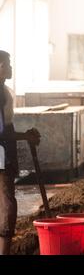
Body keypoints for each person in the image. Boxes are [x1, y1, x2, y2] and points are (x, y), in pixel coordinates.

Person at [0, 50, 40, 255]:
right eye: (8, 63)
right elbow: (1, 134)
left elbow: (6, 128)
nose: (11, 67)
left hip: (5, 154)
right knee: (7, 203)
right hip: (1, 157)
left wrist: (24, 134)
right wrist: (25, 137)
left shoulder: (4, 91)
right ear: (0, 67)